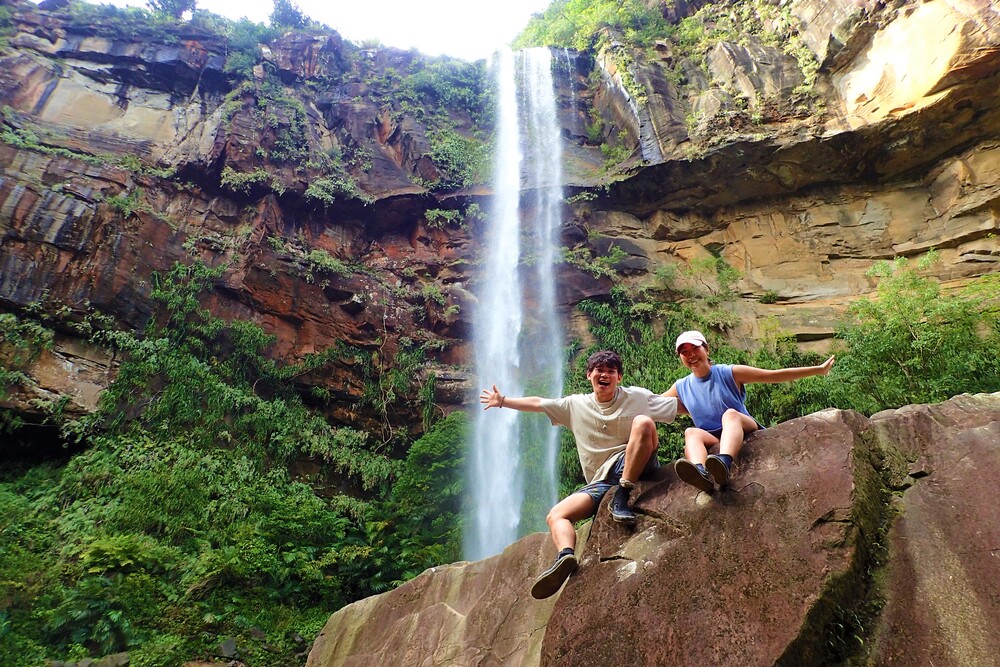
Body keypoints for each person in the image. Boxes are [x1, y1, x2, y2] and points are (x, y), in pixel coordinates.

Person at [479, 350, 677, 599]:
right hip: (602, 481)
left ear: (619, 377)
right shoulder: (575, 405)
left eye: (611, 371)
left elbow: (678, 406)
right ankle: (565, 557)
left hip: (636, 463)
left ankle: (624, 492)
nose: (604, 375)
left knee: (644, 423)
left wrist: (716, 423)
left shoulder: (637, 397)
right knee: (556, 515)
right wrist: (503, 400)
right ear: (589, 375)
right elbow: (539, 403)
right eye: (599, 370)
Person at [664, 330, 836, 492]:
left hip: (742, 425)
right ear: (680, 357)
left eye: (695, 348)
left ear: (706, 349)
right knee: (691, 432)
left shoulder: (728, 372)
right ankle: (700, 472)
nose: (691, 355)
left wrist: (818, 370)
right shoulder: (681, 386)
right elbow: (654, 404)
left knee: (730, 414)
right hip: (713, 437)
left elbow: (773, 375)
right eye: (684, 352)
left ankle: (723, 463)